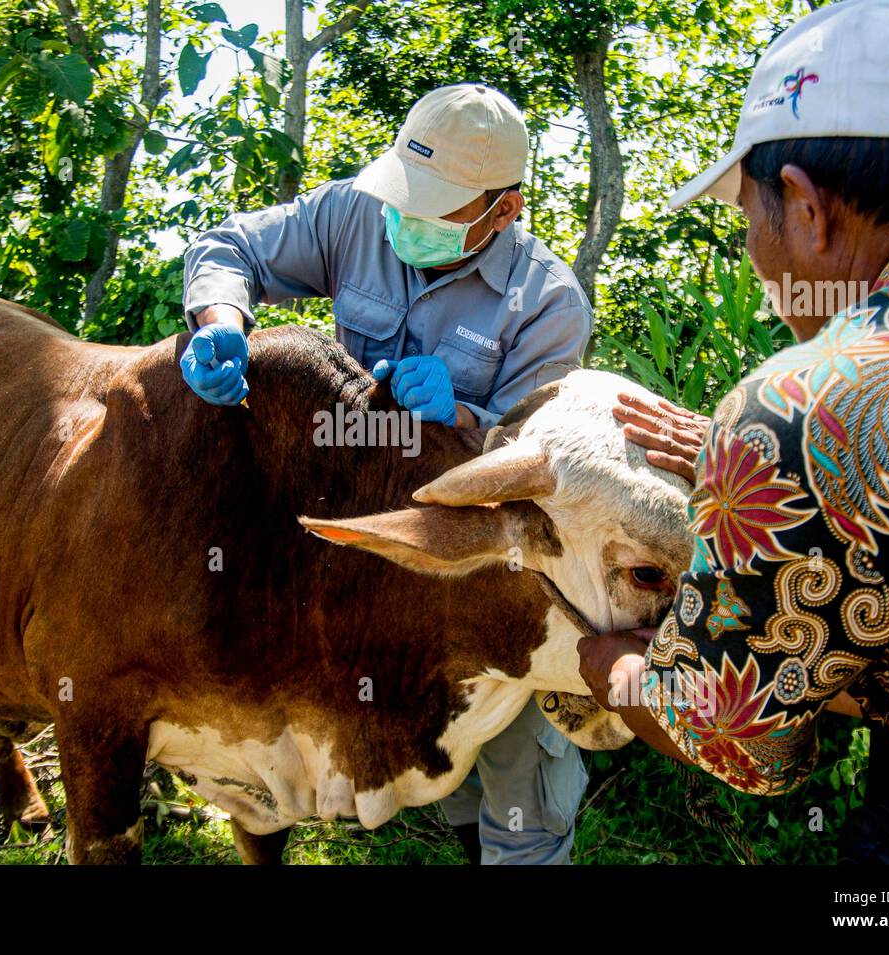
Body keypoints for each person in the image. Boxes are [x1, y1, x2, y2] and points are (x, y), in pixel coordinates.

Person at [584, 0, 889, 864]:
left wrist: (612, 667)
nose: (755, 246)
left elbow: (740, 738)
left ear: (806, 207)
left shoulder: (802, 406)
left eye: (749, 216)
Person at [179, 83, 594, 863]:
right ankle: (464, 832)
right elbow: (228, 247)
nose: (404, 219)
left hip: (480, 558)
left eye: (434, 208)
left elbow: (541, 459)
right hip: (367, 547)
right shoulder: (357, 215)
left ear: (503, 211)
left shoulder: (549, 304)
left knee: (509, 744)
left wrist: (466, 416)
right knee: (425, 727)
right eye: (406, 191)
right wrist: (222, 321)